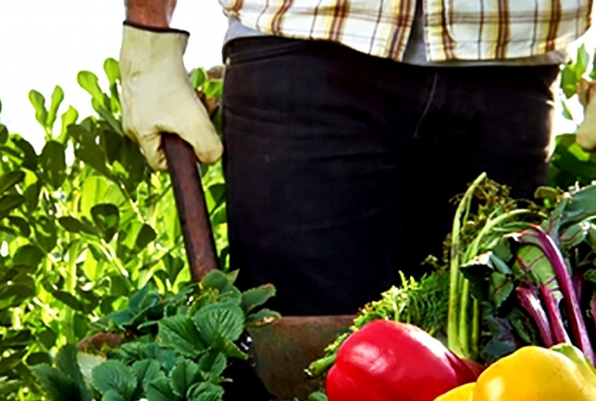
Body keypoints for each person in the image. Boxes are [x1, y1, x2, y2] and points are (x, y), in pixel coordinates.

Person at [119, 0, 593, 316]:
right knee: (304, 387)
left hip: (513, 60)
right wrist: (148, 36)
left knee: (492, 362)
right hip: (303, 48)